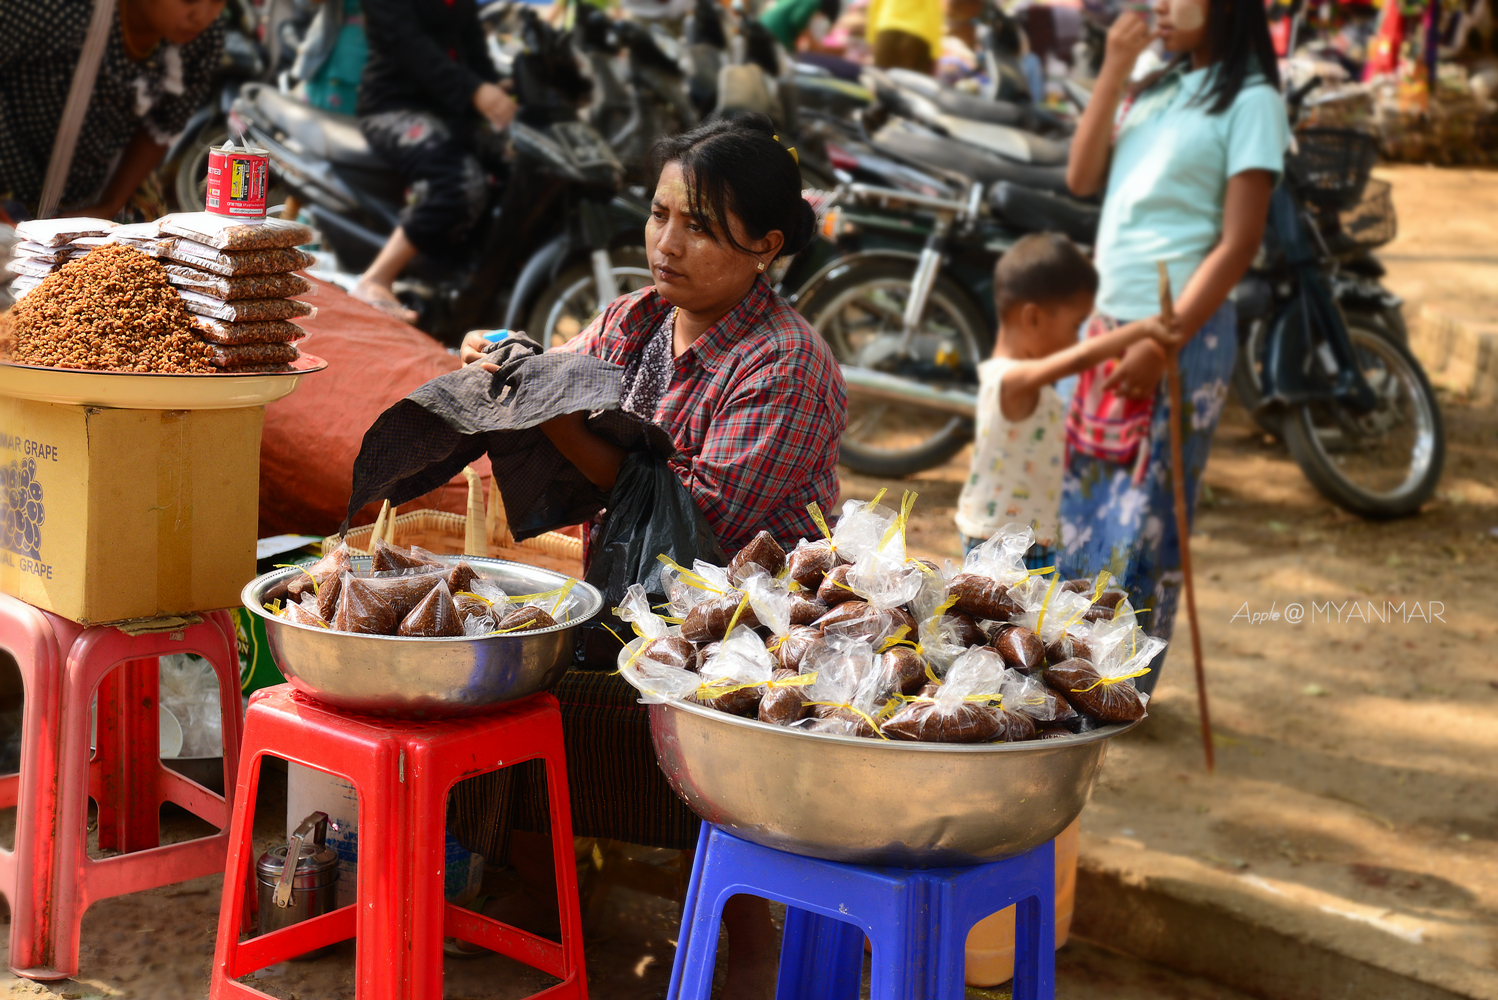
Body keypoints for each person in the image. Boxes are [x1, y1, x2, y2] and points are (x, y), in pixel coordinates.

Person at [457, 114, 844, 998]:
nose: (666, 245)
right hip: (630, 601)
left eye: (699, 227)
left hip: (755, 629)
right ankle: (544, 891)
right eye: (660, 214)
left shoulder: (786, 365)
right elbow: (566, 383)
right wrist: (508, 365)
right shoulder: (636, 318)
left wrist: (545, 408)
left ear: (767, 248)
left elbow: (697, 520)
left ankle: (748, 943)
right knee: (507, 673)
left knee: (722, 727)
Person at [1060, 0, 1288, 695]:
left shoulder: (1252, 101)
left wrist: (1164, 341)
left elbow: (1239, 241)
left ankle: (1122, 688)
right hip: (1105, 324)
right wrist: (1115, 68)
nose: (1158, 5)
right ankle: (1071, 670)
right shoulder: (1151, 84)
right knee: (1082, 506)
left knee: (1150, 516)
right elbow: (1080, 178)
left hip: (1177, 329)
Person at [955, 233, 1175, 563]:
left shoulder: (1024, 380)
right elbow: (1078, 359)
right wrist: (1143, 329)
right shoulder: (1010, 380)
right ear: (1032, 318)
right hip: (1004, 545)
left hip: (1027, 538)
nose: (1076, 338)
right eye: (1075, 325)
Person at [353, 0, 517, 322]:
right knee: (458, 181)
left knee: (513, 163)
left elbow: (473, 47)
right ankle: (376, 277)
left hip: (450, 110)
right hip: (393, 107)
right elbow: (410, 47)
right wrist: (474, 90)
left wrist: (498, 88)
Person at [0, 0, 225, 220]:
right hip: (13, 185)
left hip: (100, 190)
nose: (202, 17)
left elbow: (163, 123)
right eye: (188, 1)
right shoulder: (56, 10)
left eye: (217, 1)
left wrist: (107, 207)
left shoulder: (200, 41)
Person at [865, 0, 942, 72]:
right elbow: (932, 12)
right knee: (911, 82)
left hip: (886, 29)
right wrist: (935, 52)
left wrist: (871, 38)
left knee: (880, 77)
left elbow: (875, 6)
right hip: (917, 34)